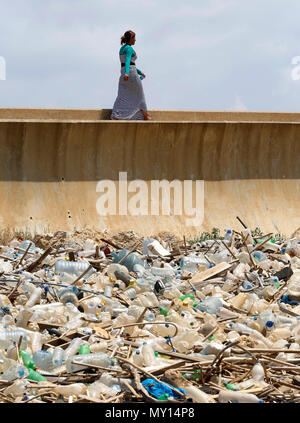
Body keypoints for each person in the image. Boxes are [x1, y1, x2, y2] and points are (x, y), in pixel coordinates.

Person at [111, 30, 152, 120]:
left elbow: (126, 64)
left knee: (122, 95)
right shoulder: (129, 48)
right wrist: (127, 73)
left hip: (124, 72)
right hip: (130, 73)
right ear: (130, 39)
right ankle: (145, 116)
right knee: (139, 94)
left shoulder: (122, 49)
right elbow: (128, 61)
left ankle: (115, 116)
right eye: (134, 38)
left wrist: (140, 72)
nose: (135, 40)